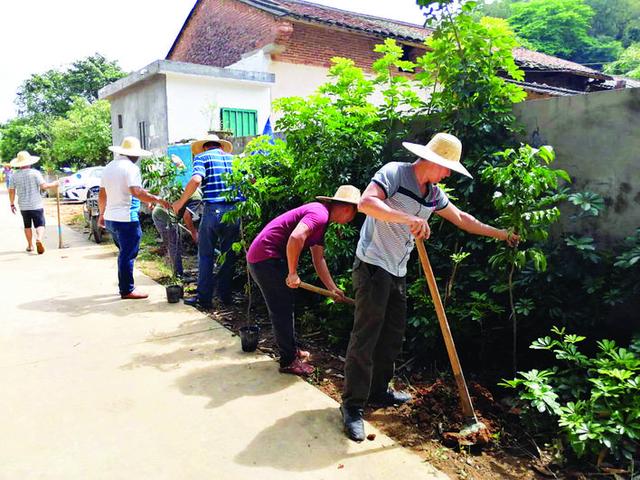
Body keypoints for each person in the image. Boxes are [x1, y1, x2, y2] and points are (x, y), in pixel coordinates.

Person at [340, 133, 520, 441]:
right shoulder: (395, 173)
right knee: (366, 335)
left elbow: (462, 218)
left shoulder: (433, 193)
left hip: (398, 268)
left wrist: (501, 234)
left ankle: (379, 391)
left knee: (393, 334)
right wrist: (407, 217)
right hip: (372, 264)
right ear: (432, 160)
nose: (448, 174)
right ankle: (352, 406)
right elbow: (367, 203)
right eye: (446, 167)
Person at [247, 185, 361, 376]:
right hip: (265, 259)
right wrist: (292, 272)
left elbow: (319, 259)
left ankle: (291, 350)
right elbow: (296, 237)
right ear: (348, 209)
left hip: (267, 259)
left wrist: (333, 289)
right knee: (281, 309)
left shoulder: (322, 222)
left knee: (287, 305)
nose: (350, 220)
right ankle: (288, 361)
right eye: (353, 215)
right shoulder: (319, 213)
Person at [98, 137, 171, 300]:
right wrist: (158, 200)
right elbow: (136, 192)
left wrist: (102, 215)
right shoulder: (131, 168)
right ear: (134, 154)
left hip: (111, 219)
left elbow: (102, 194)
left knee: (124, 253)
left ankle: (125, 286)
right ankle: (127, 289)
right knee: (128, 254)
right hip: (126, 220)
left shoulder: (109, 167)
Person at [173, 134, 239, 309]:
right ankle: (225, 297)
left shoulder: (202, 157)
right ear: (219, 146)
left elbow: (196, 179)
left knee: (206, 255)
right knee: (228, 256)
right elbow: (251, 180)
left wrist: (180, 202)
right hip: (234, 211)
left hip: (213, 211)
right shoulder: (234, 159)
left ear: (204, 147)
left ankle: (205, 300)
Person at [8, 151, 58, 254]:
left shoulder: (14, 176)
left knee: (27, 226)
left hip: (23, 206)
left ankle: (30, 245)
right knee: (40, 224)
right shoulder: (35, 173)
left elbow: (11, 191)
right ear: (29, 162)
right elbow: (44, 186)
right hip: (36, 205)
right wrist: (54, 184)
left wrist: (12, 204)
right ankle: (39, 238)